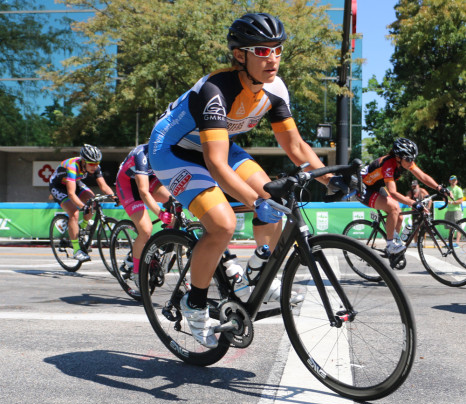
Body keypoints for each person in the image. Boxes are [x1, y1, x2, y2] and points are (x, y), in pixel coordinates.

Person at [148, 13, 345, 348]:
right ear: (240, 55)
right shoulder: (215, 90)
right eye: (262, 51)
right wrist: (256, 203)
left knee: (274, 194)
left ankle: (253, 273)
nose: (273, 59)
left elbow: (295, 146)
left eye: (277, 50)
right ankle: (194, 304)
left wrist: (334, 180)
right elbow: (216, 163)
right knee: (223, 223)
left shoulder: (275, 90)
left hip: (218, 145)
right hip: (173, 151)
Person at [357, 138, 449, 255]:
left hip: (376, 186)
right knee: (394, 207)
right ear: (398, 157)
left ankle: (393, 244)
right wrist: (414, 203)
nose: (411, 162)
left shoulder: (404, 161)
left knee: (399, 217)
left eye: (413, 159)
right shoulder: (388, 165)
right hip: (363, 188)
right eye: (409, 159)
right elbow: (393, 193)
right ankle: (390, 245)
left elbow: (422, 176)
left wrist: (439, 187)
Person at [115, 143, 173, 289]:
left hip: (149, 180)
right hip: (129, 186)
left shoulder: (169, 150)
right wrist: (160, 214)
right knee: (146, 230)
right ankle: (137, 272)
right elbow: (143, 192)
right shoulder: (141, 155)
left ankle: (167, 239)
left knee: (171, 196)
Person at [49, 144, 116, 262]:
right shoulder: (72, 167)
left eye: (97, 163)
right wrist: (82, 206)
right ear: (83, 161)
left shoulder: (95, 166)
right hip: (58, 186)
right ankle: (76, 250)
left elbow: (103, 185)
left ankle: (82, 229)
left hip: (75, 182)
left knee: (93, 202)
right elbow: (71, 194)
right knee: (74, 213)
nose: (94, 167)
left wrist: (114, 197)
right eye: (91, 164)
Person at [405, 179, 431, 246]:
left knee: (424, 227)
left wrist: (428, 208)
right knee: (415, 228)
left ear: (418, 186)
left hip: (423, 211)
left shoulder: (422, 191)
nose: (414, 187)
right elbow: (407, 198)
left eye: (415, 186)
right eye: (413, 186)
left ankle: (421, 242)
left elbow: (429, 199)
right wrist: (407, 200)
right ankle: (416, 242)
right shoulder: (410, 192)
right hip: (415, 212)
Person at [444, 175, 463, 246]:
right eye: (452, 180)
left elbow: (461, 200)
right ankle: (450, 243)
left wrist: (452, 202)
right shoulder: (447, 189)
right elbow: (444, 197)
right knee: (450, 227)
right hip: (449, 210)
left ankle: (457, 243)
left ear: (457, 181)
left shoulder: (458, 189)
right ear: (449, 181)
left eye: (454, 180)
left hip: (457, 210)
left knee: (458, 226)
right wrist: (446, 201)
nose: (453, 181)